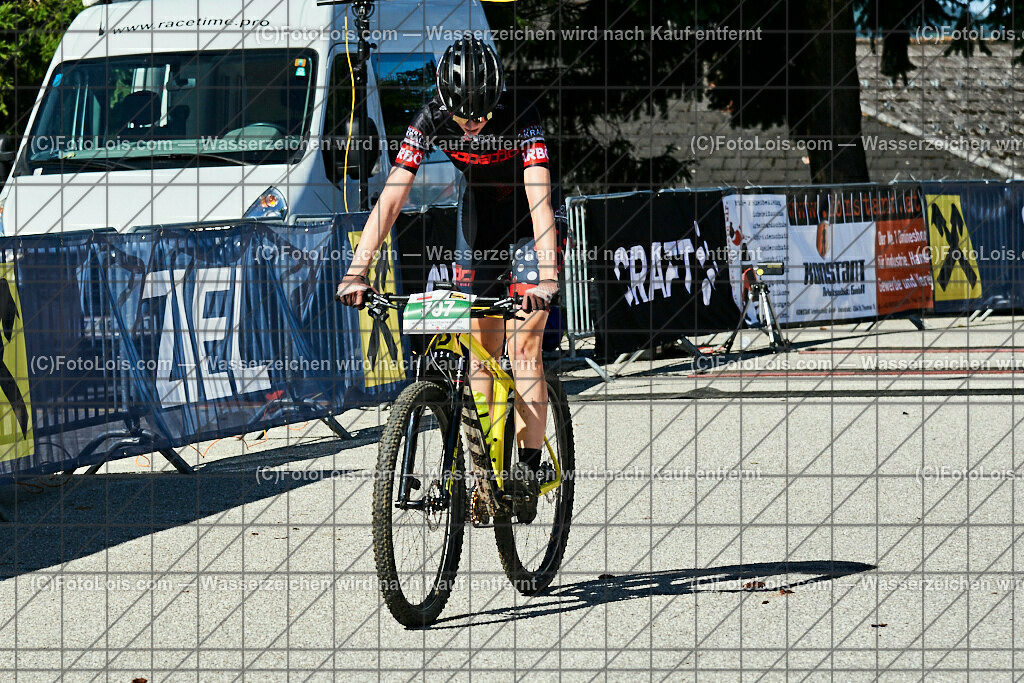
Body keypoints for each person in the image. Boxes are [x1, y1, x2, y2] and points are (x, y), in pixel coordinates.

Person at [336, 38, 560, 493]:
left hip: (525, 226)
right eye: (464, 117)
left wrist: (548, 271)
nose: (473, 125)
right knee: (478, 351)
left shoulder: (522, 111)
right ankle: (484, 471)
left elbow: (539, 196)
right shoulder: (430, 115)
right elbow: (394, 195)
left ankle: (530, 467)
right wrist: (357, 270)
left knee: (523, 349)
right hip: (478, 224)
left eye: (482, 115)